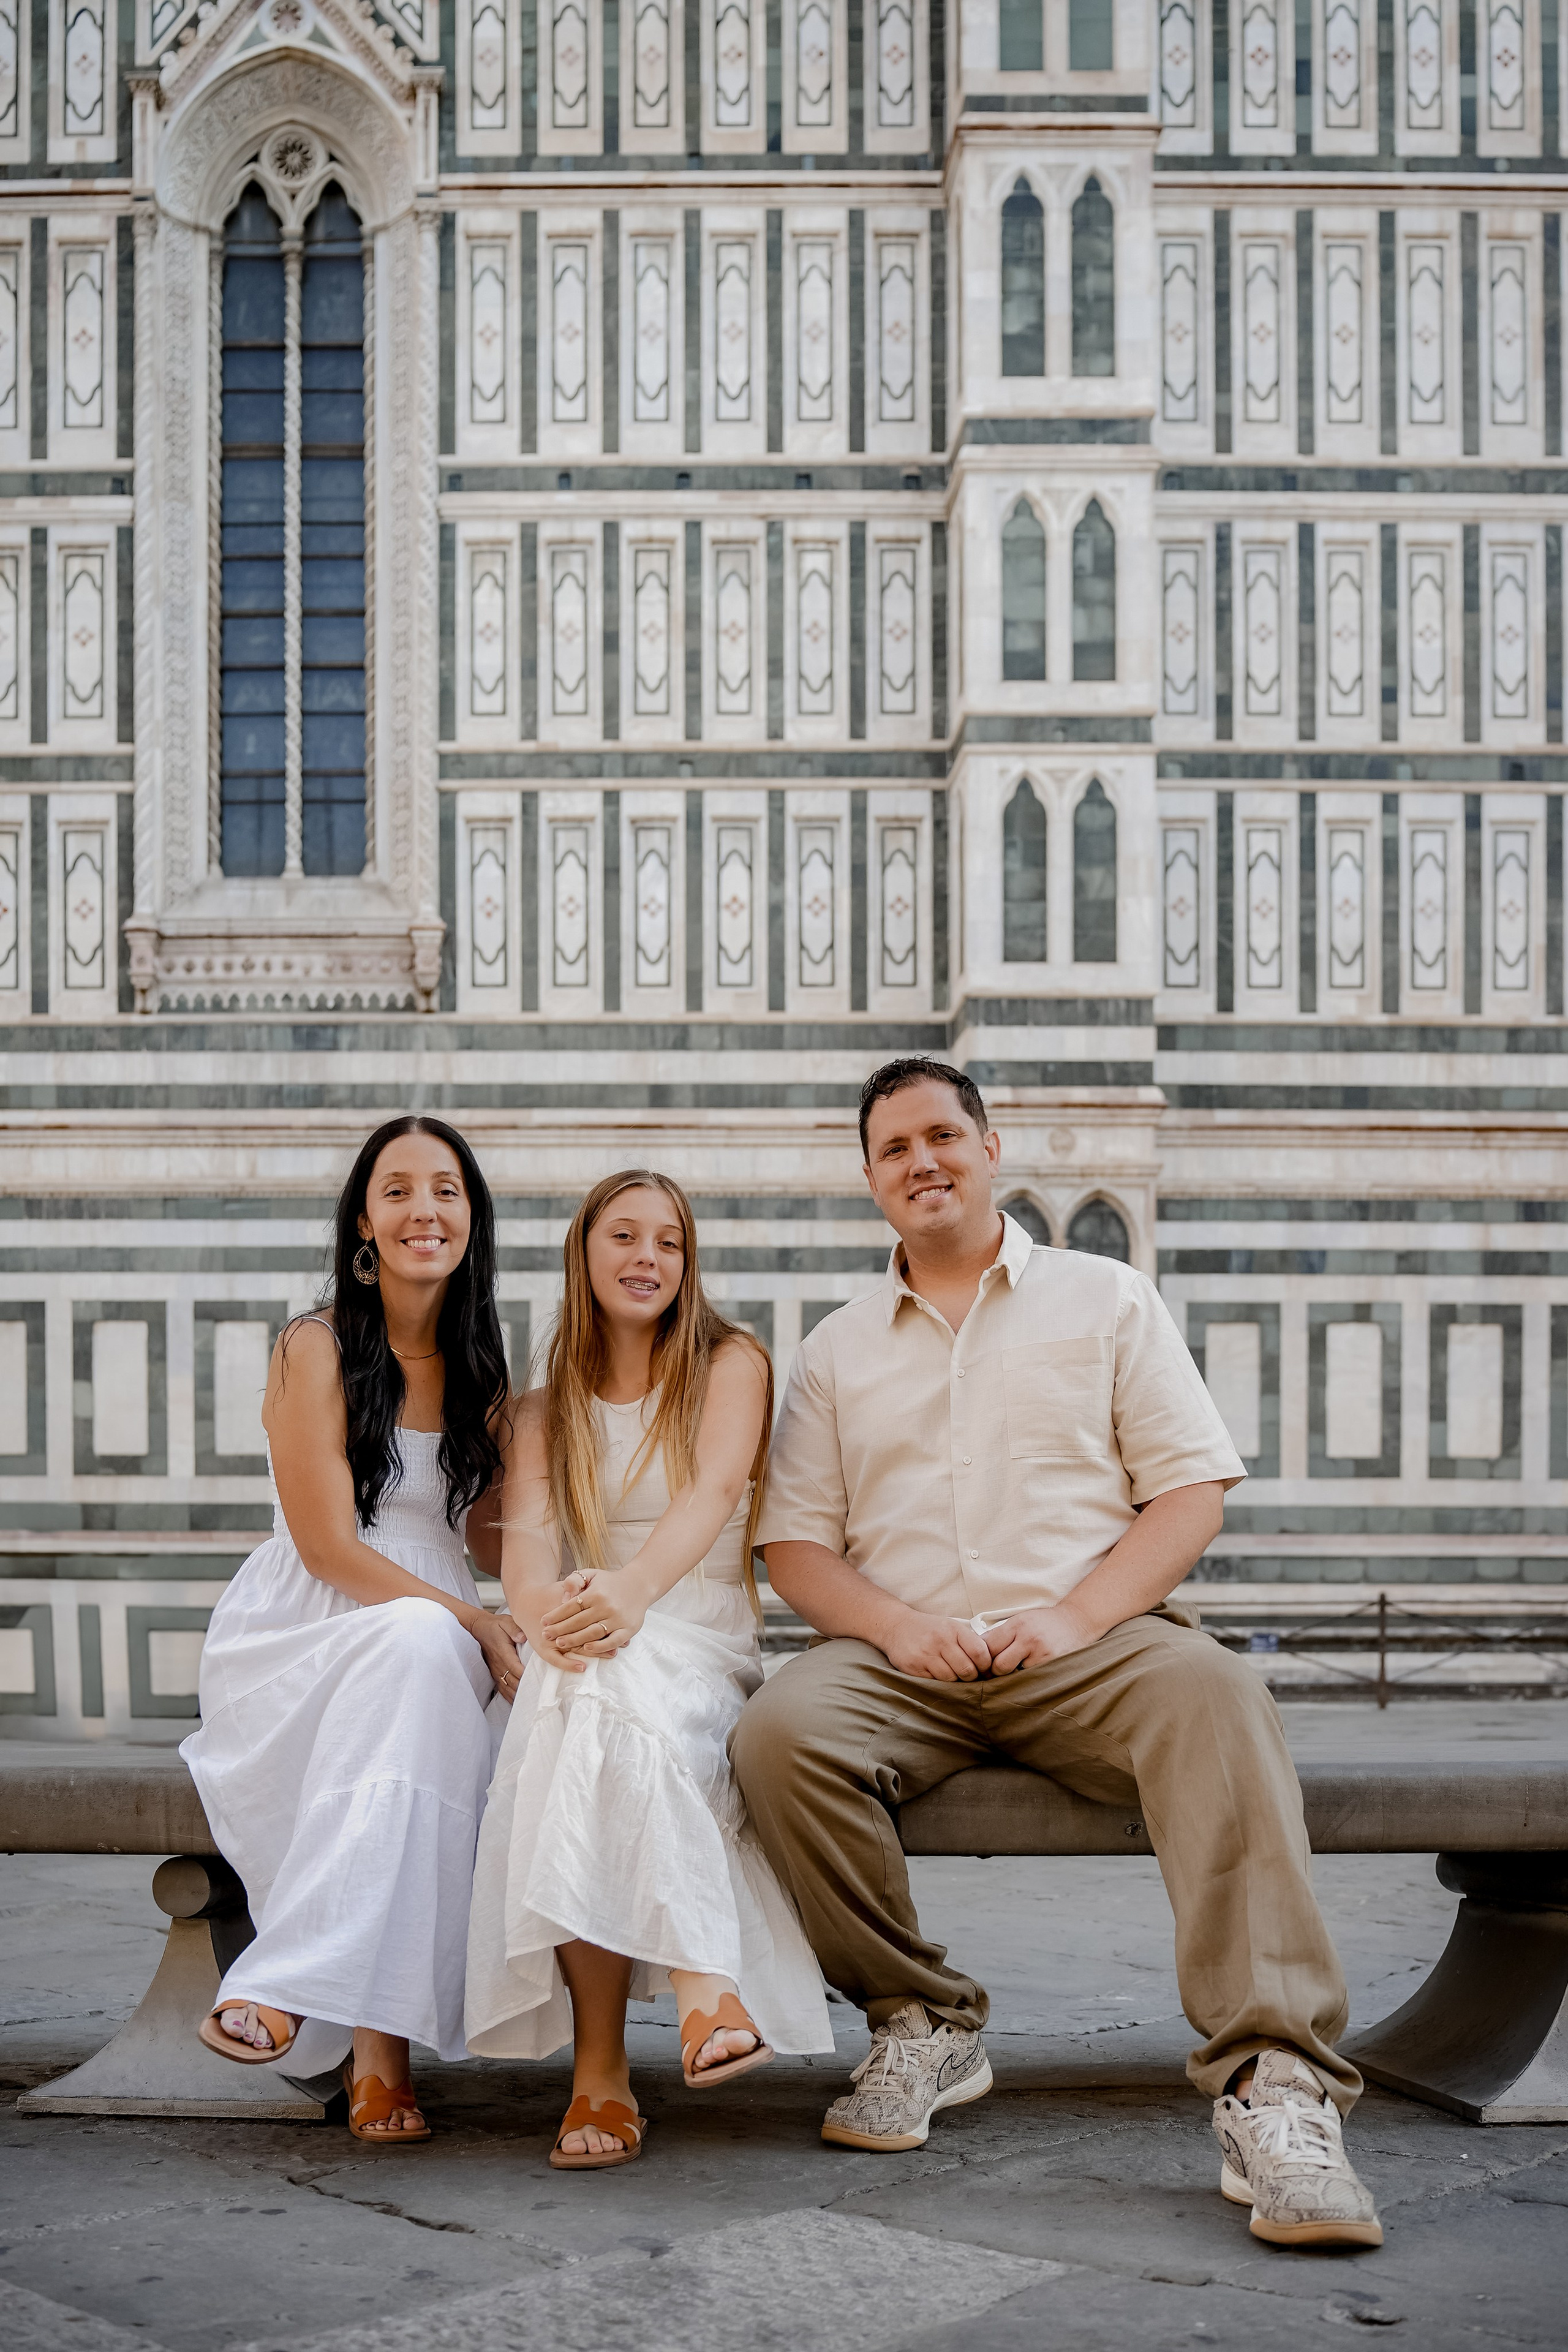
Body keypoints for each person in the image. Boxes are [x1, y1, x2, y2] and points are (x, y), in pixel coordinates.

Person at [732, 1057, 1382, 2251]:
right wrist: (894, 1628)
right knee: (775, 1733)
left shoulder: (1104, 1299)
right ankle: (920, 2018)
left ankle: (1272, 2084)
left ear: (989, 1149)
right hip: (901, 1660)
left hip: (1091, 1642)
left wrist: (1076, 1617)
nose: (920, 1162)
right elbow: (794, 1547)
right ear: (869, 1180)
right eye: (893, 1149)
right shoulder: (833, 1350)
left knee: (1219, 1695)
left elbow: (1188, 1493)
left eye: (941, 1136)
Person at [465, 1169, 833, 2169]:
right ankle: (704, 1989)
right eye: (623, 1237)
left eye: (668, 1242)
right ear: (584, 1254)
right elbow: (527, 1549)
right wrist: (548, 1622)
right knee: (583, 1690)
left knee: (590, 1690)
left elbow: (714, 1493)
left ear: (688, 1260)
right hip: (591, 1635)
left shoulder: (730, 1363)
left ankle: (601, 2078)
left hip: (698, 1634)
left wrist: (627, 1595)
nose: (647, 1259)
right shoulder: (543, 1411)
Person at [183, 1114, 522, 2144]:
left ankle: (359, 2034)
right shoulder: (314, 1345)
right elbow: (328, 1548)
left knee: (481, 1699)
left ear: (473, 1218)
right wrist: (468, 1618)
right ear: (364, 1225)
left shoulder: (480, 1365)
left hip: (431, 1631)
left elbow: (497, 1546)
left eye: (448, 1190)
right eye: (399, 1190)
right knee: (420, 1654)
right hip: (311, 1623)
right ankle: (338, 2020)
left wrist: (552, 1445)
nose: (427, 1209)